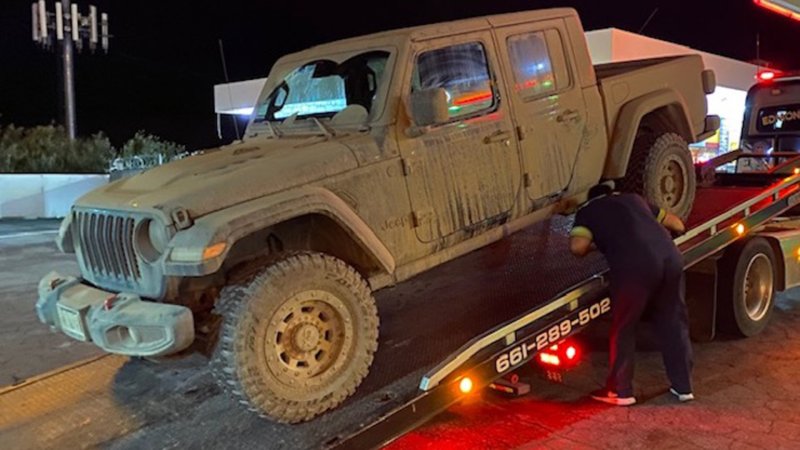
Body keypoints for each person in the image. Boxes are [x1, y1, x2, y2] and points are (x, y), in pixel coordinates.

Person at [569, 182, 694, 406]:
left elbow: (577, 248)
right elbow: (678, 224)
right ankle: (683, 386)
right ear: (613, 192)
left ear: (590, 198)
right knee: (674, 322)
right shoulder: (636, 200)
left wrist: (602, 241)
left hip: (635, 266)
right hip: (671, 259)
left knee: (625, 326)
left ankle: (621, 391)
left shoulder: (588, 211)